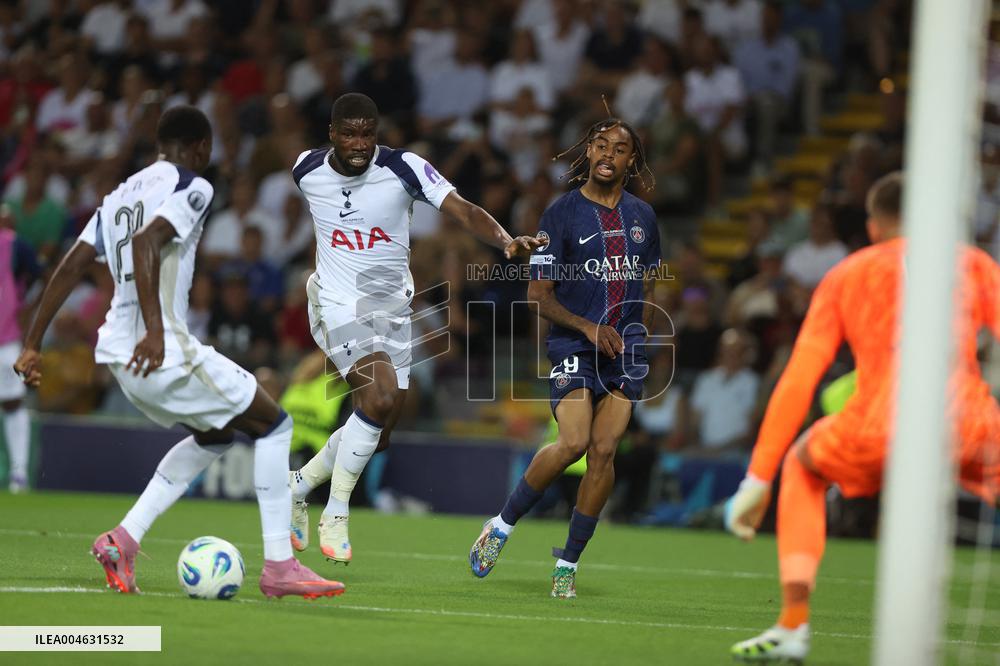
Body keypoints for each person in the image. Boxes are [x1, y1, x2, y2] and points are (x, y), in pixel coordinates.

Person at [13, 106, 343, 599]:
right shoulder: (194, 185)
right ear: (203, 148)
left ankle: (122, 539)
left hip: (119, 355)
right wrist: (155, 332)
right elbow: (149, 244)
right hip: (161, 350)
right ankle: (279, 565)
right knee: (276, 424)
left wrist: (33, 342)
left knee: (217, 435)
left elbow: (70, 263)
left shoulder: (121, 194)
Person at [725, 172, 1000, 661]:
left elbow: (800, 376)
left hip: (877, 425)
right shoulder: (974, 264)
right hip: (966, 421)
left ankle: (792, 625)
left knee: (803, 466)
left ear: (874, 226)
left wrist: (757, 476)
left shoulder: (849, 272)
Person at [286, 93, 540, 564]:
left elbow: (462, 209)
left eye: (368, 134)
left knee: (379, 431)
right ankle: (336, 512)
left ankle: (298, 486)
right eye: (349, 133)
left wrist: (505, 240)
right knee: (378, 397)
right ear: (332, 134)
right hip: (337, 302)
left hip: (392, 308)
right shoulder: (306, 170)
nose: (359, 144)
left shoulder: (405, 168)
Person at [468, 116, 661, 598]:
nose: (607, 154)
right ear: (587, 152)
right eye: (599, 145)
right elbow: (538, 295)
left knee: (605, 450)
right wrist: (587, 327)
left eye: (618, 148)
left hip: (625, 347)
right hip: (576, 342)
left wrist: (641, 337)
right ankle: (502, 525)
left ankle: (568, 564)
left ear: (630, 160)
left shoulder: (644, 218)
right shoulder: (561, 214)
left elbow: (652, 281)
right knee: (574, 441)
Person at [0, 205, 40, 492]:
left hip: (7, 337)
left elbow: (42, 275)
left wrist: (28, 310)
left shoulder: (15, 245)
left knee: (13, 402)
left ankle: (18, 473)